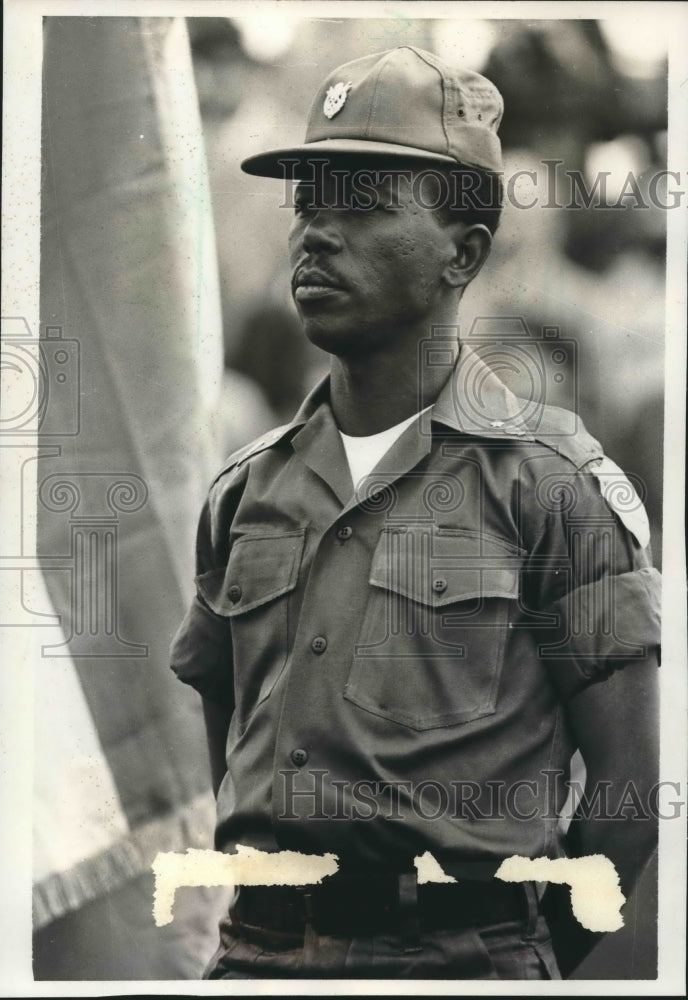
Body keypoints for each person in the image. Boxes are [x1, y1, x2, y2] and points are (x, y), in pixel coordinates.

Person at [170, 46, 661, 980]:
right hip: (257, 955)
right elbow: (222, 757)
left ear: (462, 253)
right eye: (308, 201)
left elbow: (630, 795)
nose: (317, 233)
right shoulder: (246, 491)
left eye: (361, 204)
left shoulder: (549, 486)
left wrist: (511, 953)